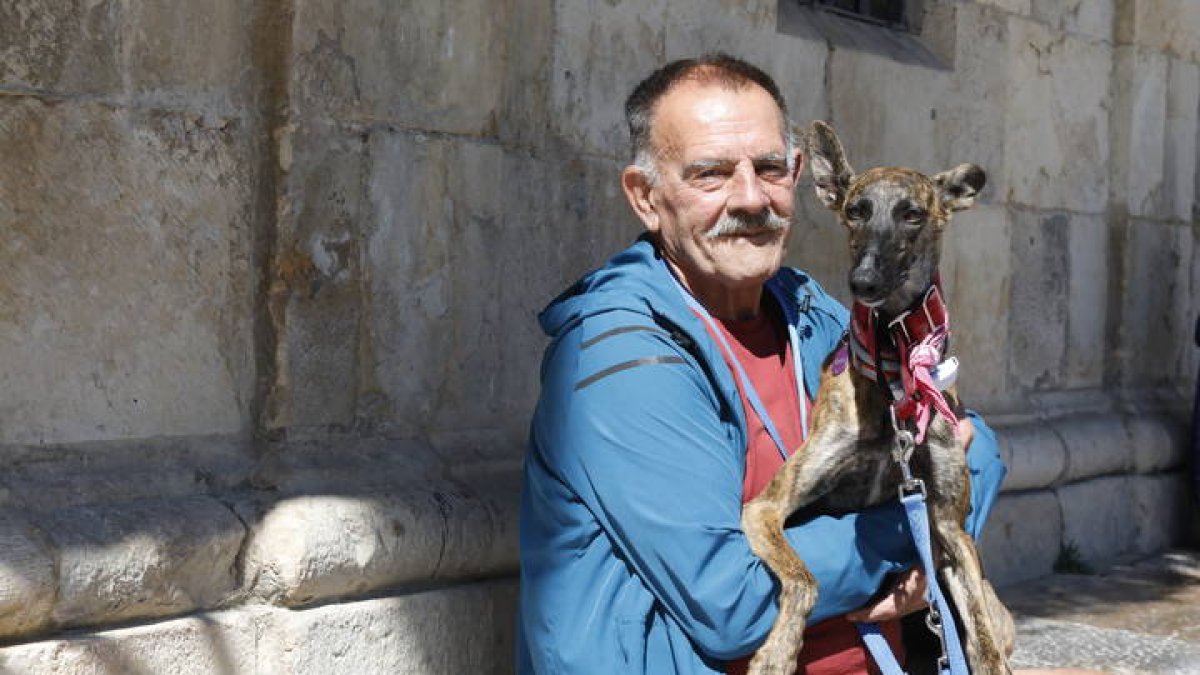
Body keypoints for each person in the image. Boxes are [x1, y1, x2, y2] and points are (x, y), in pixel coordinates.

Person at [516, 53, 1007, 675]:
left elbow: (978, 445)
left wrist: (934, 530)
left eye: (769, 169)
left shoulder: (810, 313)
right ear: (646, 197)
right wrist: (918, 534)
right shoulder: (621, 360)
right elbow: (732, 602)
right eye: (711, 174)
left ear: (797, 176)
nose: (751, 198)